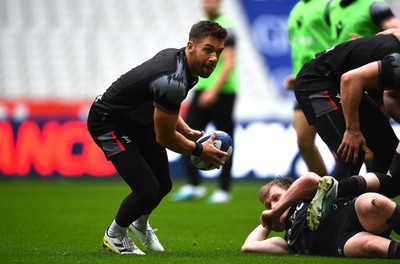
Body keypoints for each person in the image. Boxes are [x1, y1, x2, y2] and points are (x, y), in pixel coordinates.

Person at [87, 20, 229, 255]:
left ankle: (139, 224)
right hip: (108, 122)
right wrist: (199, 149)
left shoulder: (185, 66)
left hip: (137, 120)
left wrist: (187, 130)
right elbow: (164, 137)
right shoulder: (174, 78)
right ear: (191, 46)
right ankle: (115, 235)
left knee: (163, 184)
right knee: (146, 189)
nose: (214, 58)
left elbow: (163, 106)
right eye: (208, 50)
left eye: (219, 52)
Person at [293, 33, 400, 180]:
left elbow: (390, 96)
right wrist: (352, 130)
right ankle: (330, 203)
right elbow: (349, 80)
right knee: (353, 153)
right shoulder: (396, 64)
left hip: (342, 83)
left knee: (388, 149)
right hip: (316, 81)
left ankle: (369, 201)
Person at [241, 171, 400, 258]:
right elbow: (248, 247)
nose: (274, 206)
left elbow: (310, 179)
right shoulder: (287, 241)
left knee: (373, 203)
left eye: (277, 198)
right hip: (342, 242)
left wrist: (275, 211)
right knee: (370, 244)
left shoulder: (307, 196)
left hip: (353, 213)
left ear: (291, 192)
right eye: (269, 205)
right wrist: (269, 221)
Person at [171, 0, 238, 203]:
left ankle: (223, 189)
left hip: (223, 91)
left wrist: (213, 90)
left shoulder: (227, 26)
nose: (208, 3)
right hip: (201, 89)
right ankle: (194, 185)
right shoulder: (203, 26)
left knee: (225, 139)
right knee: (189, 133)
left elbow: (229, 62)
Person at [328, 0, 400, 170]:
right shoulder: (332, 8)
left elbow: (396, 30)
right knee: (352, 145)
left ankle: (372, 190)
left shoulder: (374, 6)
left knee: (370, 147)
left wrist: (367, 44)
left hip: (373, 85)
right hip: (346, 85)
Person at [283, 0, 334, 176]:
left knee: (337, 145)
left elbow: (338, 40)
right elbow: (299, 49)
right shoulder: (297, 9)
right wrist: (296, 76)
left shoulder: (329, 5)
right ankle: (323, 188)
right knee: (304, 142)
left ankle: (350, 191)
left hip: (324, 81)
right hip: (304, 84)